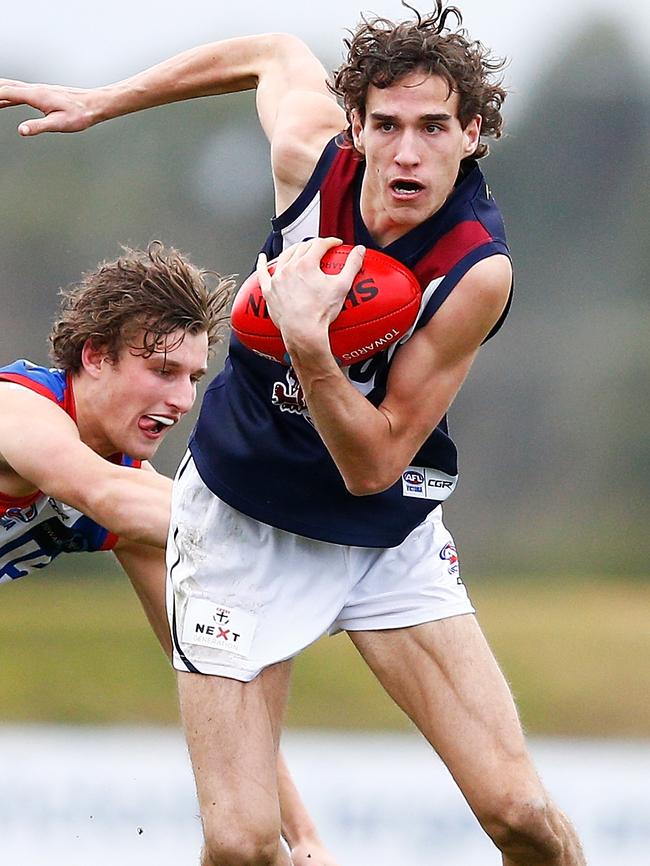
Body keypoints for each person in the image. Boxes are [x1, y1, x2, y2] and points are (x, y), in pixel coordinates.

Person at [0, 3, 587, 865]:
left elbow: (374, 464)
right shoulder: (312, 165)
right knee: (239, 847)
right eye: (385, 125)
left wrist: (310, 343)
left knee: (521, 815)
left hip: (382, 532)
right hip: (239, 517)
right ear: (355, 125)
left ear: (474, 134)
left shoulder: (474, 269)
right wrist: (104, 99)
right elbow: (270, 50)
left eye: (433, 127)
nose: (407, 152)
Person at [0, 242, 339, 866]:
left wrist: (305, 835)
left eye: (193, 378)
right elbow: (106, 495)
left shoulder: (128, 495)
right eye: (161, 371)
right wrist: (289, 527)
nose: (183, 400)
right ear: (94, 357)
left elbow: (217, 667)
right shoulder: (19, 409)